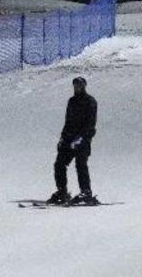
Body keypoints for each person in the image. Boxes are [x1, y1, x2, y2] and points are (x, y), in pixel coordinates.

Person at [46, 77, 99, 205]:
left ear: (84, 86)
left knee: (80, 165)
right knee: (59, 164)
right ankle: (62, 191)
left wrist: (81, 138)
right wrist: (63, 137)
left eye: (79, 85)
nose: (77, 87)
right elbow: (68, 121)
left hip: (83, 140)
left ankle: (86, 192)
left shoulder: (90, 101)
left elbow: (91, 124)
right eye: (75, 85)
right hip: (69, 139)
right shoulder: (72, 101)